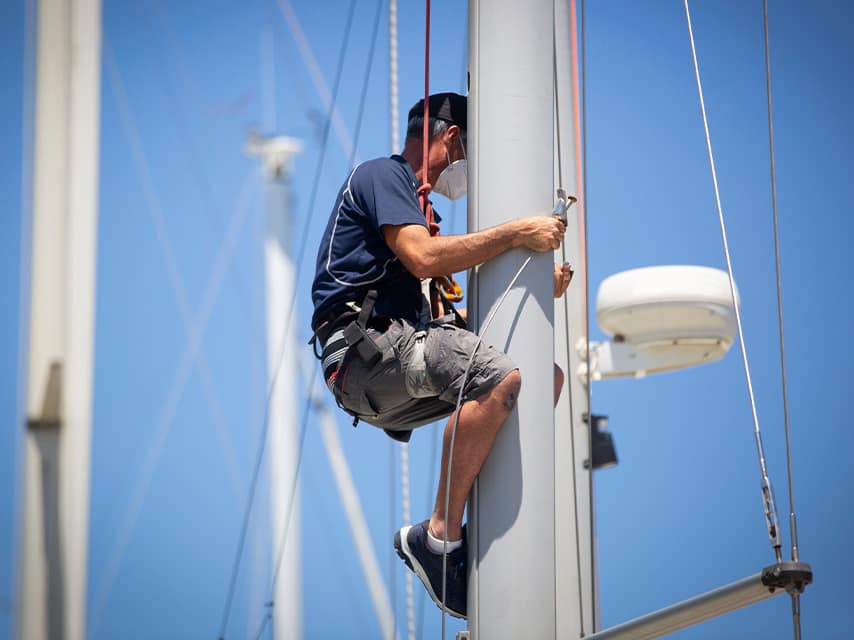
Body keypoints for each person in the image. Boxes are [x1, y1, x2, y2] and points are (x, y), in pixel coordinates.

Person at [310, 92, 570, 619]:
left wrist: (541, 288)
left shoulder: (420, 209)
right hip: (366, 354)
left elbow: (460, 326)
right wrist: (517, 232)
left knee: (544, 377)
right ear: (451, 138)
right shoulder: (384, 177)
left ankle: (481, 528)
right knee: (496, 376)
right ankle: (438, 538)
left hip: (393, 367)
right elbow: (424, 259)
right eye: (472, 151)